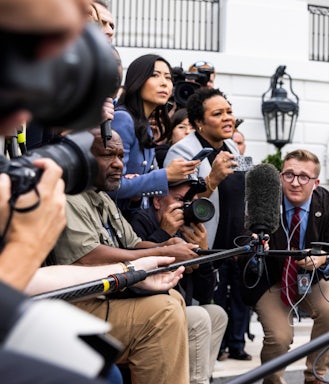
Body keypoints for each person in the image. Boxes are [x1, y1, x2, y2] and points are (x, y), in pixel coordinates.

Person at [51, 129, 198, 384]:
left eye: (120, 155)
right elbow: (88, 256)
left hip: (104, 297)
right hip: (73, 306)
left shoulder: (101, 196)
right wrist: (162, 251)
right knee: (162, 313)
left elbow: (133, 244)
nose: (119, 163)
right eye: (108, 155)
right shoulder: (68, 195)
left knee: (173, 298)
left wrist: (170, 245)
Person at [243, 149, 329, 384]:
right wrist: (255, 247)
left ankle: (315, 376)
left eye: (303, 177)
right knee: (279, 337)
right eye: (289, 175)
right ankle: (272, 381)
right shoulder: (265, 200)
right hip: (273, 278)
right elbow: (242, 239)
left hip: (313, 276)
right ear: (280, 177)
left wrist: (324, 260)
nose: (295, 183)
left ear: (316, 182)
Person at [165, 87, 252, 361]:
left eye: (229, 111)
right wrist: (211, 180)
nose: (228, 118)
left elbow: (243, 192)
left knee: (218, 319)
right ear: (199, 123)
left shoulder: (230, 147)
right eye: (218, 114)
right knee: (197, 321)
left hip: (230, 250)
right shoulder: (182, 152)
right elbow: (180, 208)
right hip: (199, 250)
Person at [129, 176, 228, 384]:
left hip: (179, 303)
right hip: (151, 307)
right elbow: (133, 268)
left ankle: (200, 378)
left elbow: (205, 295)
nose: (184, 207)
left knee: (217, 314)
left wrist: (204, 255)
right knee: (199, 317)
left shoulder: (189, 229)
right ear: (158, 201)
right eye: (178, 199)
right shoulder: (140, 220)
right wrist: (164, 233)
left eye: (189, 202)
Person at [112, 54, 200, 216]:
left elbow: (134, 192)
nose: (164, 83)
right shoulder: (123, 119)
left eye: (168, 77)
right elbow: (111, 186)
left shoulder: (142, 123)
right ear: (137, 80)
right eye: (155, 75)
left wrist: (136, 196)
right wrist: (165, 175)